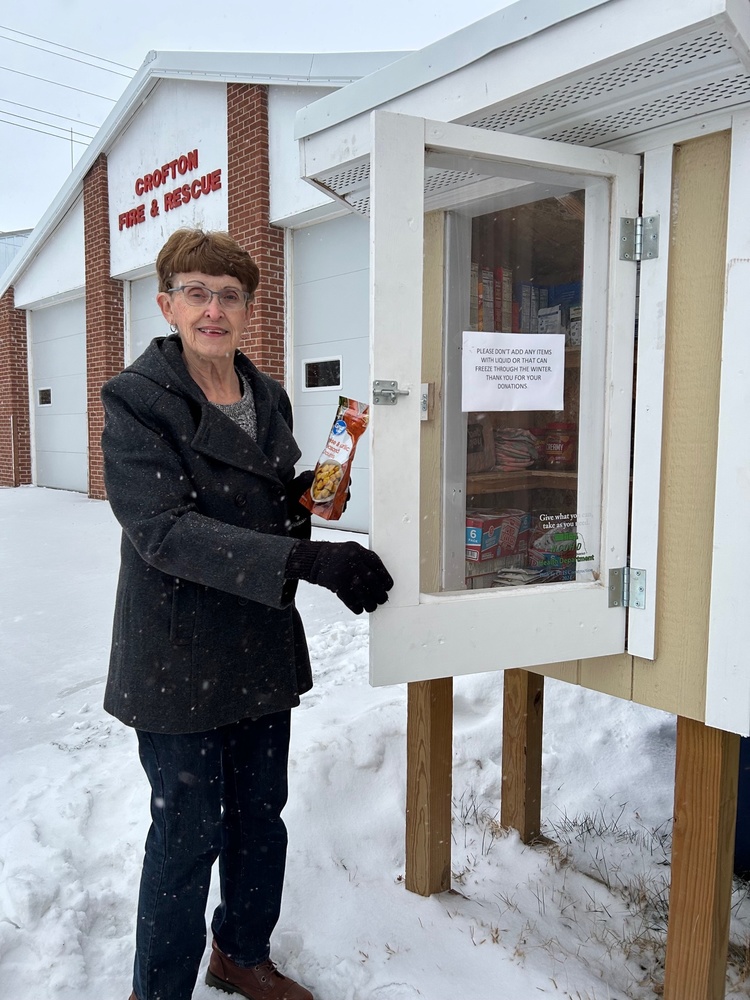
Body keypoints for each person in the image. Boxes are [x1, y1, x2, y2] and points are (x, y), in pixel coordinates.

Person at [100, 227, 393, 1000]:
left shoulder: (267, 395)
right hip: (177, 653)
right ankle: (157, 990)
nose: (213, 309)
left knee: (260, 816)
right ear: (167, 303)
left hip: (255, 643)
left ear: (248, 309)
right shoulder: (136, 401)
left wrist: (304, 500)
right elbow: (163, 531)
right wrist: (301, 561)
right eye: (195, 292)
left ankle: (240, 953)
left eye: (229, 295)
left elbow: (263, 498)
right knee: (187, 831)